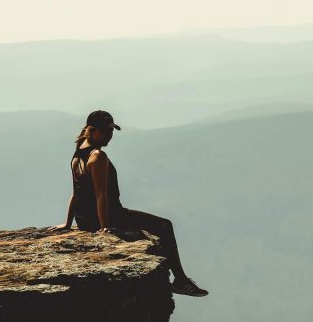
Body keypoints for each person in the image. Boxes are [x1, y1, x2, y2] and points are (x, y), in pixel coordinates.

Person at [55, 110, 208, 297]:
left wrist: (69, 223)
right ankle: (181, 281)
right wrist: (105, 228)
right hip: (111, 216)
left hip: (85, 221)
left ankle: (181, 281)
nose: (109, 135)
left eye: (111, 131)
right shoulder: (97, 157)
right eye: (105, 131)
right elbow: (100, 195)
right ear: (92, 130)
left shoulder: (78, 154)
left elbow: (76, 193)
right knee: (164, 226)